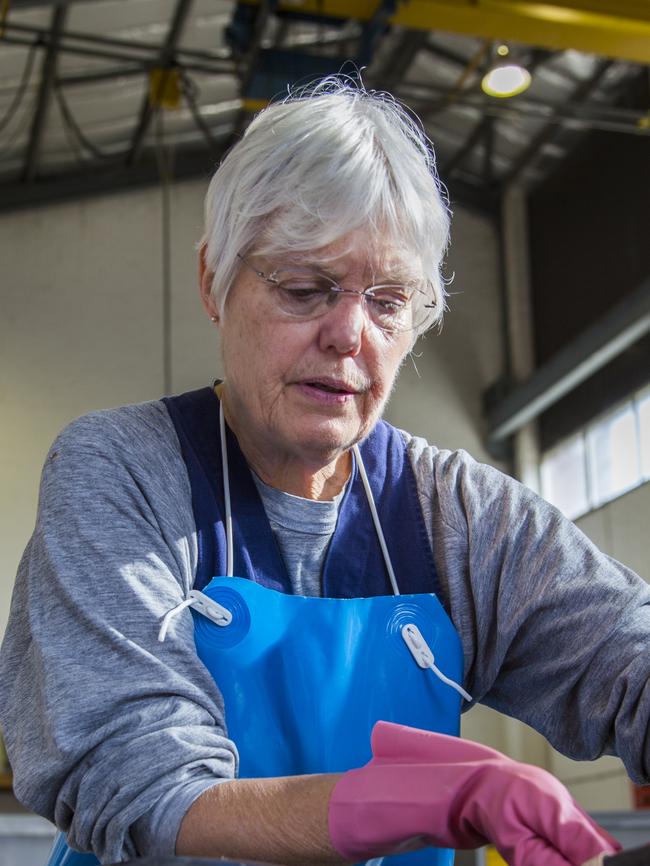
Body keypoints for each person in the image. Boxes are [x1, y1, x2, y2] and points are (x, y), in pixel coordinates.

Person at [1, 77, 648, 866]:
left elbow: (630, 660)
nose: (349, 334)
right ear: (213, 281)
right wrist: (397, 802)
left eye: (388, 300)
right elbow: (140, 783)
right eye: (305, 288)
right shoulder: (123, 475)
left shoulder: (461, 516)